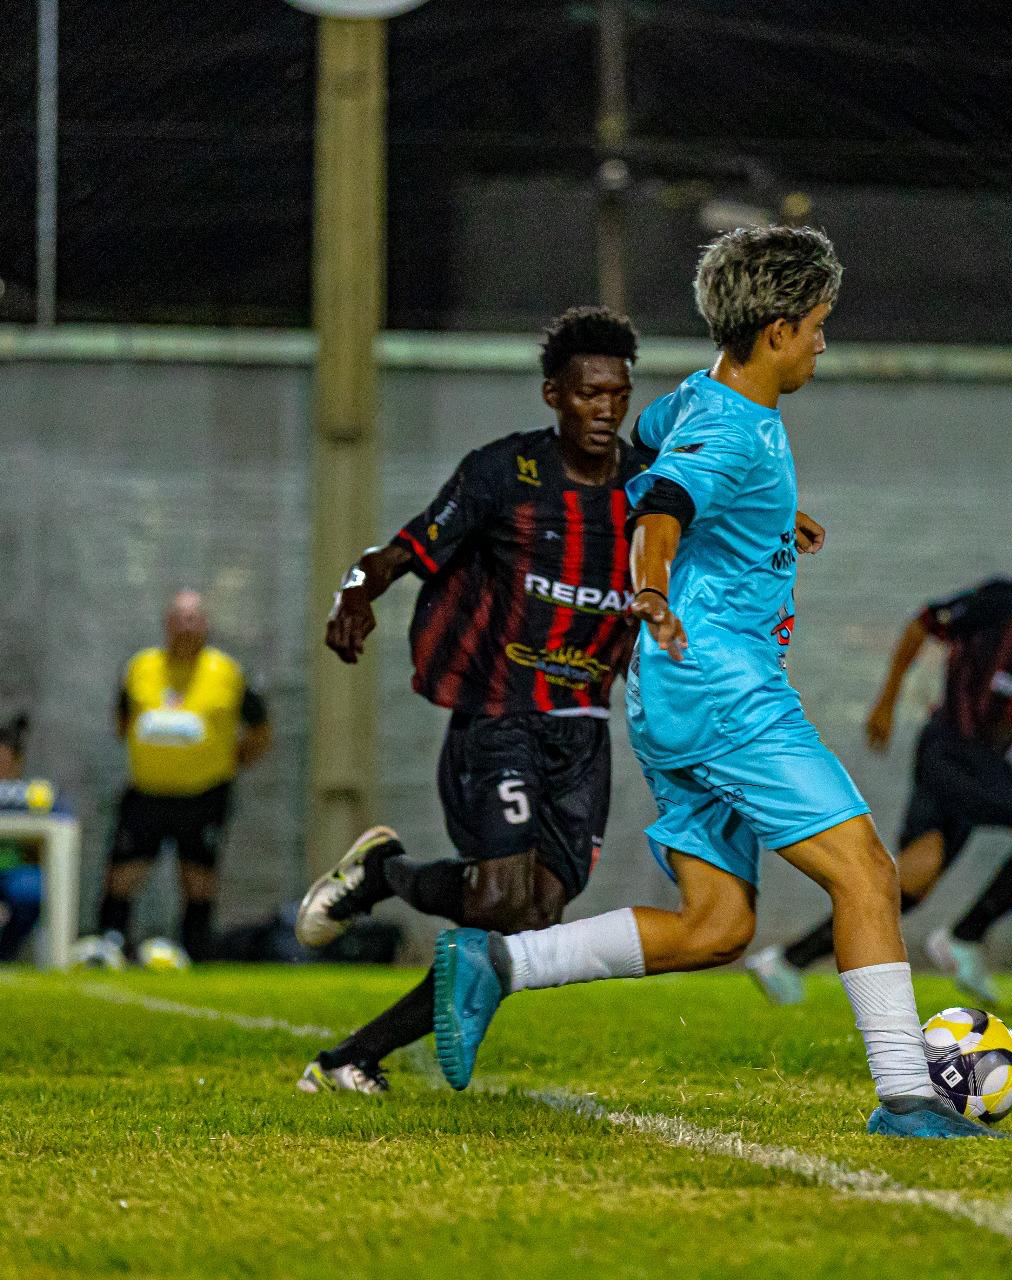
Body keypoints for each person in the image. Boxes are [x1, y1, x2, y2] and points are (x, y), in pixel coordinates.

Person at [427, 225, 999, 1139]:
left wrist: (769, 519)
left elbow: (637, 459)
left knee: (718, 926)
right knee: (866, 876)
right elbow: (662, 502)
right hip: (727, 690)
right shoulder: (734, 432)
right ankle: (908, 1098)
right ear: (776, 330)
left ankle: (498, 964)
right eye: (816, 324)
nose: (822, 341)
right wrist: (650, 583)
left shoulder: (700, 400)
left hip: (672, 692)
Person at [294, 306, 648, 1094]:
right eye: (590, 395)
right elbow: (397, 552)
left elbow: (709, 514)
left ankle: (380, 898)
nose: (606, 411)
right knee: (494, 901)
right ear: (554, 395)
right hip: (499, 713)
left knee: (529, 923)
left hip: (584, 725)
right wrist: (354, 594)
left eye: (618, 396)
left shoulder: (648, 484)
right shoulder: (503, 474)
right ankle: (358, 1036)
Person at [747, 511, 1012, 1007]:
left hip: (977, 761)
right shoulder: (1004, 601)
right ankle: (965, 937)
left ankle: (786, 960)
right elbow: (923, 623)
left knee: (911, 881)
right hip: (950, 748)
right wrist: (886, 700)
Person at [96, 591, 271, 963]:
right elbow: (122, 720)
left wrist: (231, 761)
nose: (187, 626)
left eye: (194, 619)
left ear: (206, 624)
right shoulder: (141, 667)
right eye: (180, 618)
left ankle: (195, 949)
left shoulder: (226, 672)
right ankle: (110, 944)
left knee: (198, 877)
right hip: (147, 792)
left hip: (203, 794)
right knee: (124, 872)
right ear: (167, 624)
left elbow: (259, 729)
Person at [0, 716, 44, 961]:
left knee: (31, 888)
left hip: (13, 872)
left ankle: (6, 953)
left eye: (4, 763)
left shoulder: (32, 797)